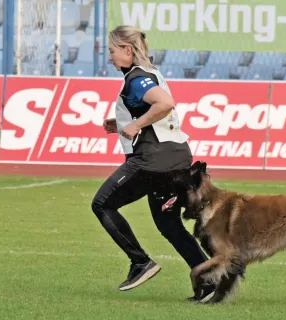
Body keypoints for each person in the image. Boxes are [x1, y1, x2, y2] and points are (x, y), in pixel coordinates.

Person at [91, 25, 215, 302]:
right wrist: (124, 122)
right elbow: (157, 108)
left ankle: (140, 262)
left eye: (112, 51)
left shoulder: (136, 77)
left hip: (153, 160)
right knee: (169, 225)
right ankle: (209, 281)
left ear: (127, 50)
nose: (109, 57)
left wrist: (136, 123)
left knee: (102, 204)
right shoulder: (151, 73)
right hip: (177, 156)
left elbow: (165, 103)